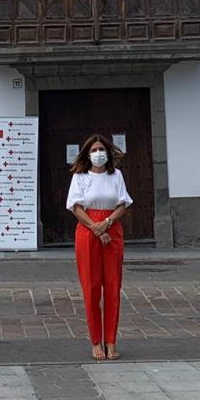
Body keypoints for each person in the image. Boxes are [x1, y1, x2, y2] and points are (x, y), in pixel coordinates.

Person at [67, 134, 133, 361]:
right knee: (92, 287)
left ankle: (111, 342)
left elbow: (123, 204)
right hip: (88, 231)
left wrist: (107, 223)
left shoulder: (116, 176)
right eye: (94, 150)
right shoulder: (80, 177)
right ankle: (96, 341)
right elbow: (75, 207)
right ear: (87, 154)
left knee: (113, 287)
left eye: (101, 149)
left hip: (111, 230)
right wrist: (96, 228)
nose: (98, 153)